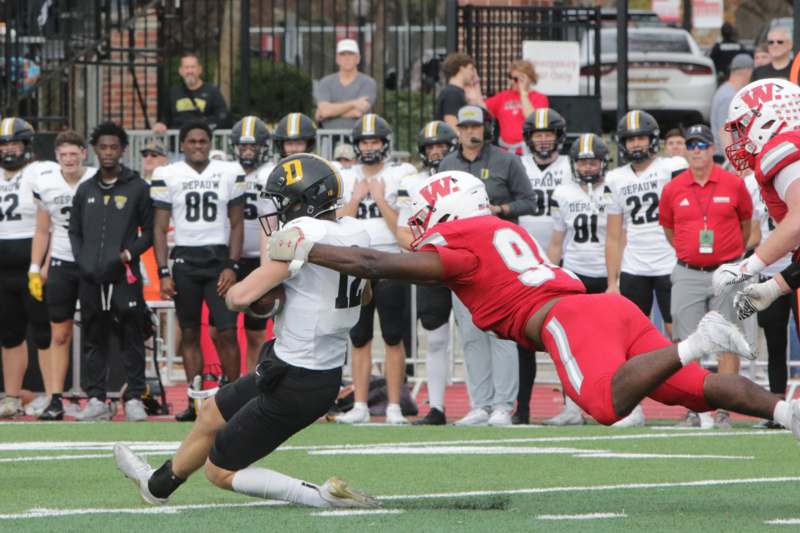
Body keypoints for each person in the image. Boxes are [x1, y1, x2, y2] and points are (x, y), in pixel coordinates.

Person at [267, 170, 800, 436]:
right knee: (698, 391)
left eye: (425, 211)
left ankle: (699, 340)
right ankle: (785, 412)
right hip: (604, 309)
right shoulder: (498, 229)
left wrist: (309, 248)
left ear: (447, 209)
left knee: (604, 405)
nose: (419, 221)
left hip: (565, 319)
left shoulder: (461, 245)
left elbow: (374, 263)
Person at [113, 154, 377, 510]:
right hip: (299, 367)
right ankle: (156, 486)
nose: (280, 209)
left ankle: (319, 496)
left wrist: (266, 275)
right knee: (211, 413)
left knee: (219, 471)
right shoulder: (355, 230)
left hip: (298, 379)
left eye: (285, 200)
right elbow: (365, 294)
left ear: (305, 200)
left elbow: (238, 298)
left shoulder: (303, 232)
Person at [438, 105, 536, 426]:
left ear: (486, 128)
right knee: (470, 334)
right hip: (462, 258)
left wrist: (500, 209)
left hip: (498, 259)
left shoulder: (506, 160)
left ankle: (503, 405)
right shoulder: (447, 164)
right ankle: (480, 404)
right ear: (458, 129)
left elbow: (529, 201)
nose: (470, 131)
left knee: (501, 334)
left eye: (476, 126)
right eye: (465, 126)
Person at [660, 124, 753, 429]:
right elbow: (669, 229)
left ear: (712, 148)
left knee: (728, 338)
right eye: (691, 145)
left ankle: (724, 409)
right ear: (686, 151)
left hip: (726, 270)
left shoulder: (733, 184)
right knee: (687, 342)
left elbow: (746, 225)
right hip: (688, 271)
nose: (696, 151)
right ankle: (694, 410)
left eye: (702, 145)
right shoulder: (673, 187)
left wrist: (729, 256)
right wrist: (691, 253)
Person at [151, 120, 245, 422]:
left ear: (210, 143)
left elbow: (237, 223)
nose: (197, 146)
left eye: (203, 141)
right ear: (182, 145)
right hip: (185, 260)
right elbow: (159, 227)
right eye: (192, 141)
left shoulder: (228, 171)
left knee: (227, 330)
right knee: (189, 331)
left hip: (218, 259)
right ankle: (194, 400)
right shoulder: (168, 174)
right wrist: (163, 271)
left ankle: (232, 400)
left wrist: (232, 265)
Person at [605, 110, 687, 427]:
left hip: (670, 262)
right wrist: (612, 281)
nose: (636, 144)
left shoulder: (672, 167)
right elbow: (614, 236)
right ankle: (633, 408)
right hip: (634, 266)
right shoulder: (616, 178)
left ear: (652, 139)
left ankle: (693, 404)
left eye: (640, 137)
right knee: (630, 341)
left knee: (679, 337)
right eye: (630, 139)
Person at [334, 114, 416, 425]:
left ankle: (394, 404)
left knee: (393, 336)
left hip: (390, 260)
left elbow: (401, 230)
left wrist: (380, 199)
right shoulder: (345, 176)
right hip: (356, 263)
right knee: (359, 337)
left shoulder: (401, 175)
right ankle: (360, 404)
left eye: (375, 141)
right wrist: (356, 198)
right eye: (365, 142)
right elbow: (338, 224)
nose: (369, 147)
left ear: (385, 144)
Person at [69, 121, 153, 422]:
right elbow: (74, 230)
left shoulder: (137, 187)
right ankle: (96, 399)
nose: (108, 152)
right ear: (94, 149)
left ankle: (134, 398)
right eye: (103, 147)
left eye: (113, 147)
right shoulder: (85, 189)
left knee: (132, 334)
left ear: (122, 150)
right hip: (90, 277)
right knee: (94, 336)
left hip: (124, 276)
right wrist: (82, 259)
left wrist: (128, 255)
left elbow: (149, 232)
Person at [715, 79, 800, 334]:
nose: (740, 139)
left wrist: (747, 267)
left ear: (768, 119)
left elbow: (798, 220)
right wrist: (774, 287)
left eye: (742, 127)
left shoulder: (785, 154)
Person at [543, 133, 614, 426]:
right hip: (575, 274)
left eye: (593, 162)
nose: (587, 167)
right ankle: (572, 407)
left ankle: (619, 405)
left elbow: (621, 235)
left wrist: (617, 278)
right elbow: (557, 241)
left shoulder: (613, 188)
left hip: (607, 274)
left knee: (611, 344)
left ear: (603, 162)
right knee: (570, 344)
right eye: (583, 162)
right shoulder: (563, 193)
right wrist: (550, 274)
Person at [28, 131, 96, 420]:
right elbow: (43, 229)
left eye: (73, 154)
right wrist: (35, 266)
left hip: (92, 263)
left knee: (96, 330)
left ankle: (97, 396)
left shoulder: (95, 178)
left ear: (83, 154)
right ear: (56, 156)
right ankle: (55, 397)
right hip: (61, 261)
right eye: (63, 154)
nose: (69, 159)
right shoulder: (46, 183)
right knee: (60, 332)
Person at [395, 120, 458, 425]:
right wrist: (429, 249)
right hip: (432, 265)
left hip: (465, 264)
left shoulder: (464, 178)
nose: (436, 152)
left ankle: (485, 406)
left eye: (441, 146)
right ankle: (437, 407)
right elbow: (402, 232)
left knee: (476, 337)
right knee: (434, 339)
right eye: (431, 147)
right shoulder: (412, 182)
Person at [0, 118, 51, 418]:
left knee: (44, 332)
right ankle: (12, 397)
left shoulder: (41, 172)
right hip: (3, 267)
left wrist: (46, 263)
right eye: (4, 144)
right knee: (9, 334)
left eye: (14, 143)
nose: (8, 149)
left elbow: (55, 221)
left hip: (32, 261)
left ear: (27, 145)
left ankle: (51, 395)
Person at [230, 116, 275, 372]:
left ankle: (253, 381)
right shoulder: (227, 171)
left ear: (263, 147)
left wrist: (267, 262)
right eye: (243, 147)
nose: (247, 152)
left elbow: (271, 218)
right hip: (232, 258)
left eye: (253, 146)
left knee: (256, 330)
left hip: (259, 257)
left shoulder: (269, 173)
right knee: (221, 328)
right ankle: (233, 381)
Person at [518, 108, 571, 251]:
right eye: (538, 135)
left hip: (564, 249)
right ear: (529, 138)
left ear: (558, 136)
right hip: (526, 248)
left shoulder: (570, 165)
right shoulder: (518, 164)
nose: (543, 140)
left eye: (548, 135)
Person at [152, 52, 232, 133]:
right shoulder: (172, 93)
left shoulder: (212, 92)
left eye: (193, 67)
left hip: (201, 138)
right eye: (186, 67)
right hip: (177, 139)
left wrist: (205, 126)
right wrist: (161, 124)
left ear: (200, 70)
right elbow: (165, 118)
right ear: (180, 71)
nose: (190, 71)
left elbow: (222, 116)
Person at [484, 59, 548, 155]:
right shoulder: (503, 96)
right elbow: (483, 108)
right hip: (506, 151)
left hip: (528, 151)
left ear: (529, 79)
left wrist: (523, 93)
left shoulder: (539, 98)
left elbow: (533, 119)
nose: (512, 82)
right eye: (510, 77)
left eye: (517, 79)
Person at [314, 39, 377, 130]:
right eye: (343, 54)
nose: (347, 58)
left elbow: (358, 112)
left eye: (351, 54)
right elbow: (324, 111)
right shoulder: (325, 82)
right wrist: (354, 103)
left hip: (358, 136)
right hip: (328, 136)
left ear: (358, 58)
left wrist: (329, 113)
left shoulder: (368, 82)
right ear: (337, 59)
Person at [711, 54, 754, 158]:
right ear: (747, 71)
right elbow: (724, 132)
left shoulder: (728, 92)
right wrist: (733, 161)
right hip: (725, 158)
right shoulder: (728, 96)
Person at [436, 53, 485, 129]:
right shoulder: (452, 93)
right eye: (471, 69)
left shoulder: (456, 92)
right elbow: (452, 126)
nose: (473, 74)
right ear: (462, 68)